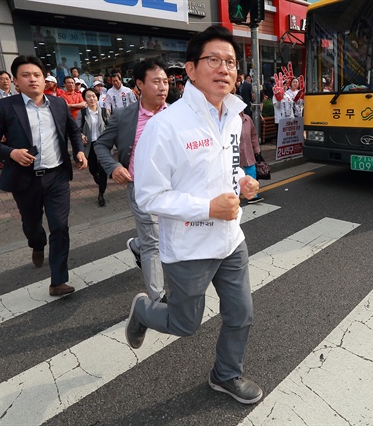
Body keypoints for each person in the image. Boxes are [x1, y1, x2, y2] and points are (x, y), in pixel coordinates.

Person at [127, 25, 262, 405]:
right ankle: (143, 308)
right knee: (184, 324)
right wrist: (207, 208)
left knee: (241, 315)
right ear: (190, 69)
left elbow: (221, 167)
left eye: (231, 62)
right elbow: (148, 195)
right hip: (189, 247)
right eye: (214, 60)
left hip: (230, 239)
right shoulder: (165, 126)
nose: (225, 69)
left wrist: (241, 182)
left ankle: (225, 375)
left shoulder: (233, 115)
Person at [0, 55, 88, 296]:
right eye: (26, 75)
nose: (32, 80)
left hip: (57, 176)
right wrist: (11, 153)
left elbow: (73, 131)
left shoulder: (58, 104)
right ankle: (37, 244)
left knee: (60, 226)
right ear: (16, 81)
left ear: (45, 79)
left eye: (37, 75)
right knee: (32, 225)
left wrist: (80, 152)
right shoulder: (6, 107)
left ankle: (58, 281)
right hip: (25, 179)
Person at [94, 59, 170, 303]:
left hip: (174, 187)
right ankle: (157, 299)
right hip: (142, 188)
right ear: (139, 84)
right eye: (156, 82)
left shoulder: (179, 114)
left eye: (165, 82)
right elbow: (101, 146)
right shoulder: (124, 116)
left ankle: (137, 244)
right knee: (154, 243)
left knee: (168, 235)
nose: (163, 87)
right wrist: (114, 166)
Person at [77, 88, 109, 207]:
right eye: (89, 96)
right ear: (85, 98)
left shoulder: (104, 111)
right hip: (89, 146)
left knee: (103, 170)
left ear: (97, 98)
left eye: (94, 96)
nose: (92, 99)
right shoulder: (83, 113)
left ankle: (101, 194)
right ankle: (99, 180)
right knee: (93, 169)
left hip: (102, 145)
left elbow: (110, 127)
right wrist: (81, 135)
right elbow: (77, 129)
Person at [238, 105, 263, 204]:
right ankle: (234, 194)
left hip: (247, 150)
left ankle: (252, 195)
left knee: (251, 172)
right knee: (233, 174)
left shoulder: (247, 119)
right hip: (233, 152)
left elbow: (253, 134)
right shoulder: (228, 120)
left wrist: (256, 149)